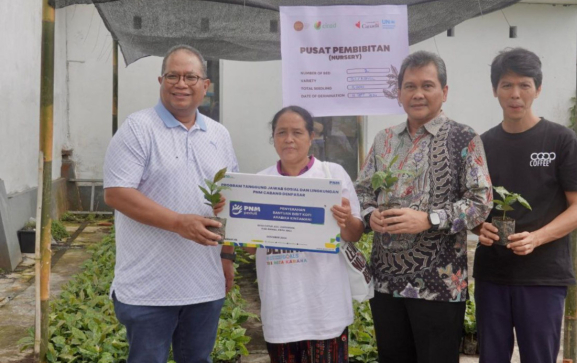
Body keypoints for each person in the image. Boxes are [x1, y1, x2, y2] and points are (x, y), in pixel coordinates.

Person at [355, 51, 493, 363]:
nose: (418, 94)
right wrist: (369, 215)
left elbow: (480, 202)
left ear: (444, 92)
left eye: (427, 85)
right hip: (387, 282)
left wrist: (430, 219)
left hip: (439, 285)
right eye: (409, 86)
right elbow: (362, 191)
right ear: (399, 93)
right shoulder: (383, 140)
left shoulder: (464, 137)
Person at [103, 44, 239, 363]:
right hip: (148, 289)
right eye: (173, 76)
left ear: (206, 85)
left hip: (204, 286)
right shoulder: (138, 129)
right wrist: (179, 222)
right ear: (160, 80)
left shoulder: (219, 135)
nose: (181, 83)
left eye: (191, 76)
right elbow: (117, 193)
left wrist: (228, 255)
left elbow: (233, 200)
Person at [472, 47, 577, 363]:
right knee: (491, 357)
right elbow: (471, 204)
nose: (515, 94)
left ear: (538, 89)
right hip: (492, 274)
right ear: (495, 90)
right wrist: (477, 226)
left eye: (524, 85)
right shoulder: (481, 145)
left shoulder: (560, 140)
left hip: (543, 275)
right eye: (506, 85)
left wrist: (537, 237)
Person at [224, 105, 364, 363]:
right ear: (273, 138)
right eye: (281, 132)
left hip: (326, 309)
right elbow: (250, 249)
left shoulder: (332, 175)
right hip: (281, 310)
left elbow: (355, 234)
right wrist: (237, 220)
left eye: (297, 132)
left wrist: (346, 220)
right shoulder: (260, 182)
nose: (289, 139)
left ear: (312, 136)